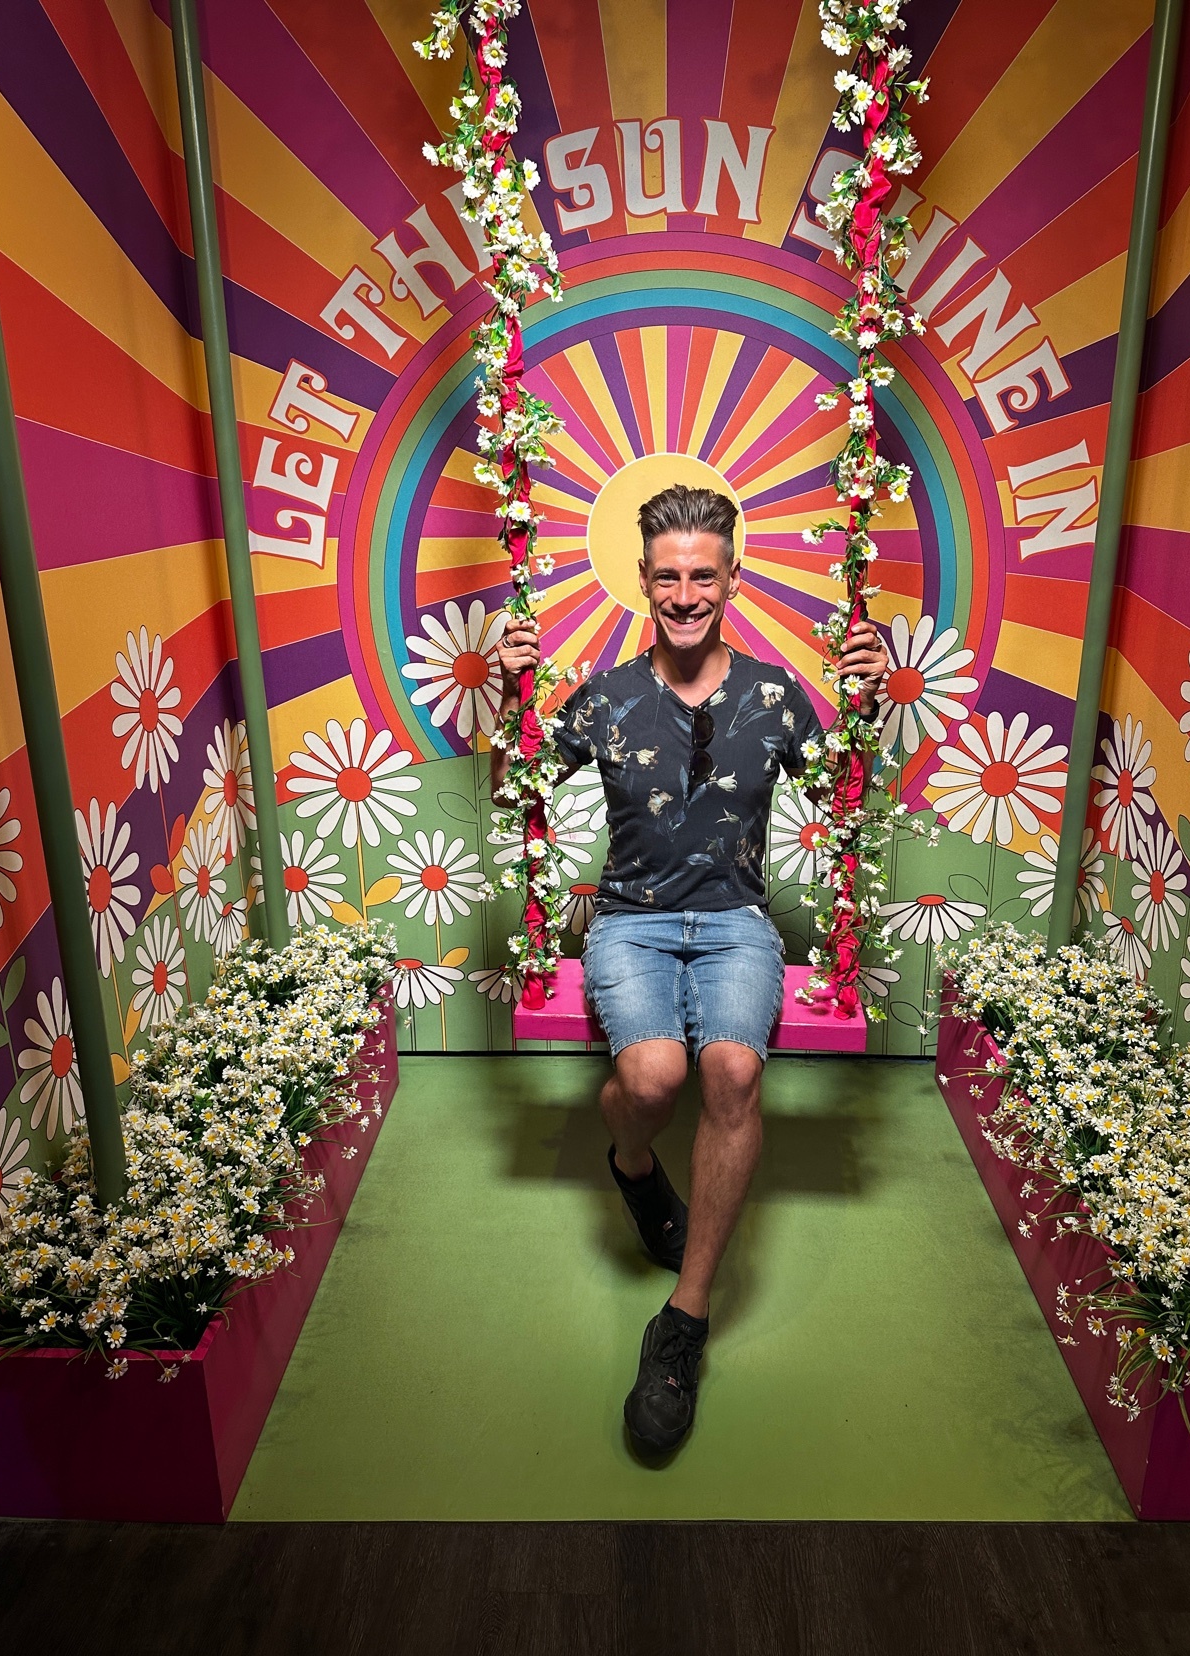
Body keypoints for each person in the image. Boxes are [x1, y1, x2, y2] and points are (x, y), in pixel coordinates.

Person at [493, 484, 888, 1454]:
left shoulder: (772, 695)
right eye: (666, 576)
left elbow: (846, 810)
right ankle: (633, 1166)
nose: (683, 593)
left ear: (730, 580)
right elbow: (522, 792)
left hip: (736, 923)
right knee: (652, 1078)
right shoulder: (609, 694)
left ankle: (684, 1322)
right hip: (628, 921)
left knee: (733, 1072)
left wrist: (868, 713)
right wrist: (509, 694)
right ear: (643, 581)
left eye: (701, 575)